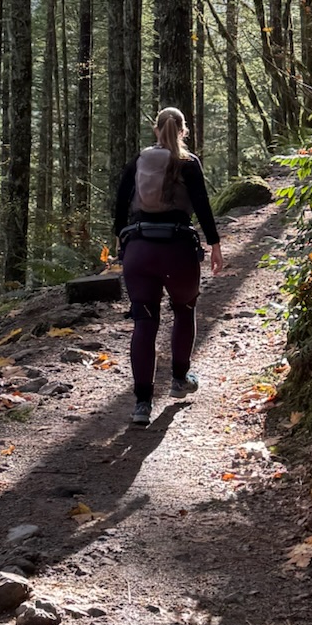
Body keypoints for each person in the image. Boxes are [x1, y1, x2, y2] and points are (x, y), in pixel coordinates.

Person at [113, 106, 224, 427]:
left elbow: (120, 204)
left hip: (139, 250)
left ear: (156, 129)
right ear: (183, 131)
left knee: (144, 323)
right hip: (178, 251)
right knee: (184, 309)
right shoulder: (188, 163)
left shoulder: (137, 161)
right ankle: (179, 379)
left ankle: (141, 404)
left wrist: (122, 239)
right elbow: (202, 205)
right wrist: (214, 244)